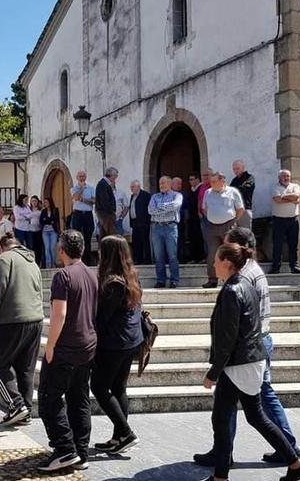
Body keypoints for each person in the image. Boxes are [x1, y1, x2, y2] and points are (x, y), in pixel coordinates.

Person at [193, 227, 300, 467]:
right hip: (254, 345)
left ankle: (284, 449)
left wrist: (215, 369)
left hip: (248, 348)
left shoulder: (242, 279)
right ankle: (287, 454)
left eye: (227, 246)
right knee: (253, 408)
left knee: (255, 405)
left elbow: (232, 331)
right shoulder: (250, 273)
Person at [37, 230, 97, 472]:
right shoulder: (91, 274)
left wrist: (50, 345)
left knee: (49, 400)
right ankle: (81, 452)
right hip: (87, 345)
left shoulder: (63, 276)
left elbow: (58, 314)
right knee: (78, 399)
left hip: (67, 347)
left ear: (61, 250)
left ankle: (64, 449)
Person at [91, 235, 144, 455]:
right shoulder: (131, 275)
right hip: (131, 339)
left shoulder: (113, 282)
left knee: (99, 387)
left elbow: (103, 318)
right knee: (119, 388)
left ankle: (126, 432)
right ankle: (118, 438)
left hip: (115, 343)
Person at [0, 234, 43, 426]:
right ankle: (26, 411)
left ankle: (16, 405)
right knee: (26, 369)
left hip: (12, 319)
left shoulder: (5, 258)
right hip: (35, 318)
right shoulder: (32, 261)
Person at [201, 171, 244, 289]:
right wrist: (213, 218)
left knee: (231, 253)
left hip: (228, 226)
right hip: (211, 226)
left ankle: (233, 278)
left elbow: (240, 209)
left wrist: (233, 220)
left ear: (222, 181)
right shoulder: (207, 192)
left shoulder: (233, 192)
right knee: (212, 254)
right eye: (211, 182)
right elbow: (204, 209)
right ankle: (212, 279)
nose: (212, 184)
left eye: (214, 181)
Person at [148, 176, 183, 289]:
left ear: (170, 184)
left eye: (163, 183)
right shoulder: (154, 196)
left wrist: (160, 207)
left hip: (170, 227)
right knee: (158, 257)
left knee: (172, 255)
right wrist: (166, 208)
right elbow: (150, 210)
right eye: (160, 183)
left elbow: (175, 206)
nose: (161, 185)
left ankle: (174, 280)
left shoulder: (177, 195)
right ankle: (161, 280)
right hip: (156, 228)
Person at [270, 169, 300, 275]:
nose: (286, 178)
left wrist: (284, 196)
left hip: (293, 219)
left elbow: (296, 196)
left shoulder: (295, 186)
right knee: (277, 244)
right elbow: (277, 200)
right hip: (279, 219)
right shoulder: (275, 187)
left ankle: (294, 266)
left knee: (293, 244)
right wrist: (291, 200)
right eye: (283, 176)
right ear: (279, 177)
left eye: (288, 176)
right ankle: (275, 267)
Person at [71, 171, 96, 265]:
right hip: (78, 214)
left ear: (86, 177)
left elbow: (94, 200)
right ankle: (76, 260)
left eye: (83, 176)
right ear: (77, 177)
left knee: (87, 237)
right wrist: (81, 188)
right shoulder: (74, 188)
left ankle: (87, 260)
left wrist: (84, 200)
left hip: (88, 214)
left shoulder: (91, 188)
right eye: (80, 176)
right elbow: (75, 198)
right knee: (76, 237)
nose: (82, 178)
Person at [127, 180, 151, 265]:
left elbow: (149, 209)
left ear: (138, 187)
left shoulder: (145, 195)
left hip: (143, 223)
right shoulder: (132, 196)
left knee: (145, 242)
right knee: (136, 242)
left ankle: (147, 260)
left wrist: (147, 221)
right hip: (135, 223)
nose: (131, 189)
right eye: (131, 187)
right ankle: (138, 259)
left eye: (133, 187)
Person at [230, 160, 255, 230]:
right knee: (236, 235)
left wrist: (233, 190)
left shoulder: (249, 178)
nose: (236, 171)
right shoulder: (234, 180)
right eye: (234, 169)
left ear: (243, 168)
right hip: (235, 211)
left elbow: (243, 189)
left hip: (245, 210)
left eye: (238, 168)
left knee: (245, 234)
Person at [95, 166, 119, 240]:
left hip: (105, 213)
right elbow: (104, 200)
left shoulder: (105, 184)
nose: (116, 178)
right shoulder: (103, 184)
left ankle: (103, 249)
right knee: (111, 234)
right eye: (115, 176)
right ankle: (112, 250)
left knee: (104, 234)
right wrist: (111, 211)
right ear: (111, 175)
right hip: (105, 213)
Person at [187, 173, 206, 264]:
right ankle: (194, 257)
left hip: (200, 216)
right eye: (189, 180)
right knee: (193, 237)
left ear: (197, 179)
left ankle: (202, 257)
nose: (190, 181)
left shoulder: (201, 188)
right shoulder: (191, 190)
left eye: (192, 179)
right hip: (192, 218)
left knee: (200, 237)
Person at [172, 177, 190, 263]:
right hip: (171, 221)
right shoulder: (169, 194)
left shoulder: (184, 194)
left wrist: (186, 219)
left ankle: (182, 258)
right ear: (172, 184)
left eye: (180, 183)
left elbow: (186, 208)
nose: (180, 185)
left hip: (181, 221)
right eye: (178, 183)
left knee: (181, 240)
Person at [0, 207, 14, 274]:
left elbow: (10, 235)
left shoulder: (6, 223)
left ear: (2, 214)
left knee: (4, 262)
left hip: (3, 246)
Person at [41, 198, 61, 268]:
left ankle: (53, 263)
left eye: (46, 202)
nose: (45, 204)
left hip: (53, 231)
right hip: (45, 232)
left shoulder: (55, 210)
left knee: (52, 248)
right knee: (47, 248)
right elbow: (41, 221)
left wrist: (47, 220)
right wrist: (50, 220)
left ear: (50, 202)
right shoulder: (43, 211)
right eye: (44, 202)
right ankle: (48, 264)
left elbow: (56, 220)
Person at [29, 195, 44, 264]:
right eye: (32, 201)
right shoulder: (28, 210)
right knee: (32, 247)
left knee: (39, 247)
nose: (34, 202)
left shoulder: (40, 210)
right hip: (31, 231)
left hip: (39, 230)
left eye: (35, 201)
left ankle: (38, 262)